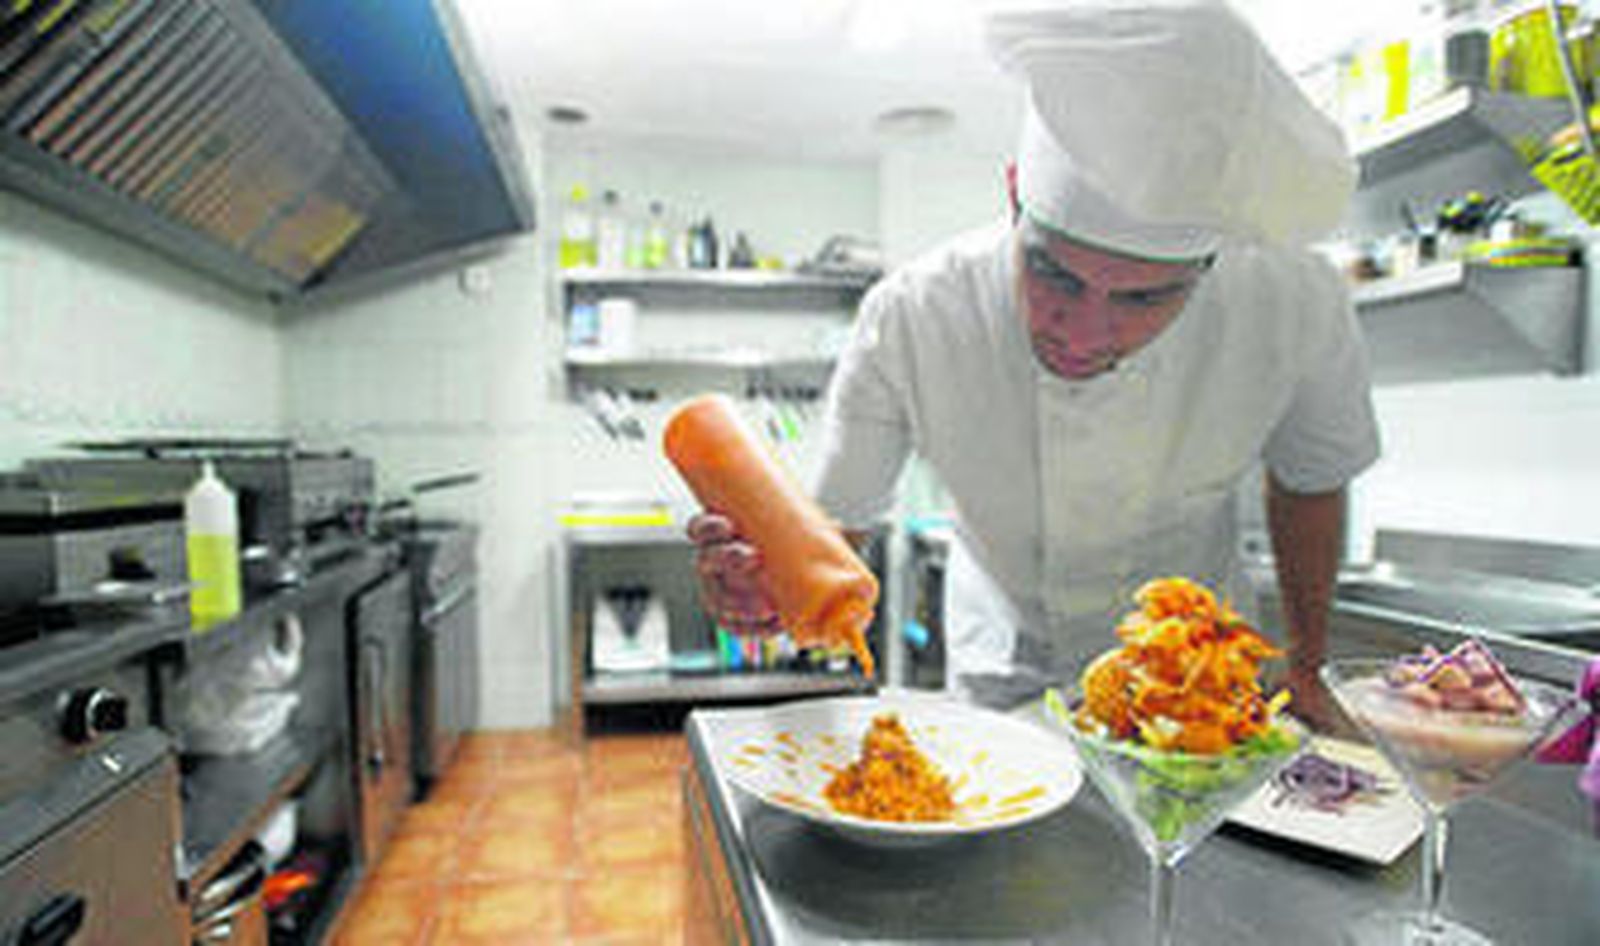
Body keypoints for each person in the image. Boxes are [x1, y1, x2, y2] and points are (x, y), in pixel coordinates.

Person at [688, 0, 1379, 719]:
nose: (1081, 333)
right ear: (1016, 194)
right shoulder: (912, 315)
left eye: (1143, 300)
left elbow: (1312, 480)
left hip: (1196, 677)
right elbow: (837, 529)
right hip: (1006, 674)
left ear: (1208, 266)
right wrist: (766, 589)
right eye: (1055, 275)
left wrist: (1308, 664)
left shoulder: (1294, 301)